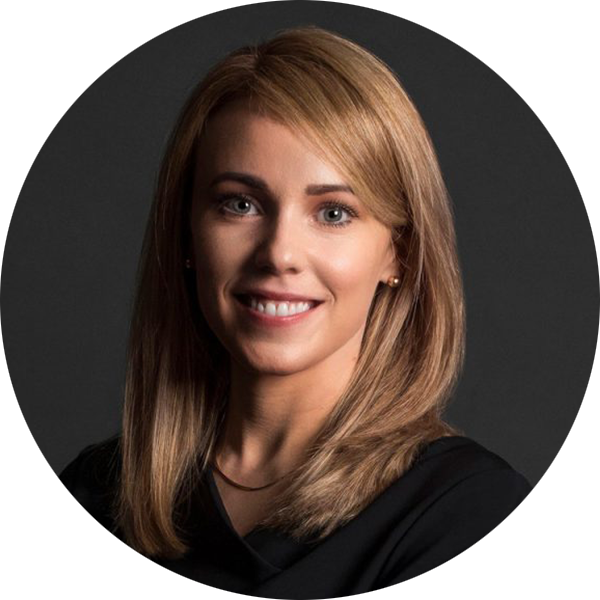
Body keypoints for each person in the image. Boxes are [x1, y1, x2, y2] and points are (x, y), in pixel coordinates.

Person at [1, 25, 541, 599]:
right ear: (186, 235)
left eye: (333, 213)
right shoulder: (90, 498)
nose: (279, 254)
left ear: (398, 253)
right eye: (240, 204)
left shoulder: (461, 511)